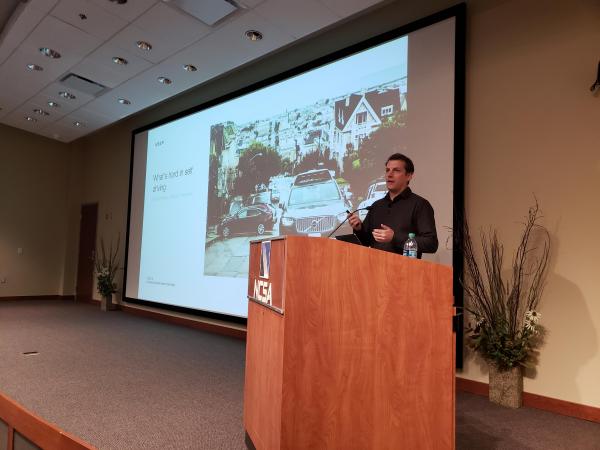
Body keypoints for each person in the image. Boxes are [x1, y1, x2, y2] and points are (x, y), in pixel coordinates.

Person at [348, 153, 438, 258]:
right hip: (375, 268)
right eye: (387, 170)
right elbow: (365, 242)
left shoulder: (420, 205)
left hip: (406, 271)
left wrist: (394, 237)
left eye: (396, 170)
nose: (389, 175)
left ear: (408, 176)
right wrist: (359, 229)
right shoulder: (377, 206)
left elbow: (431, 244)